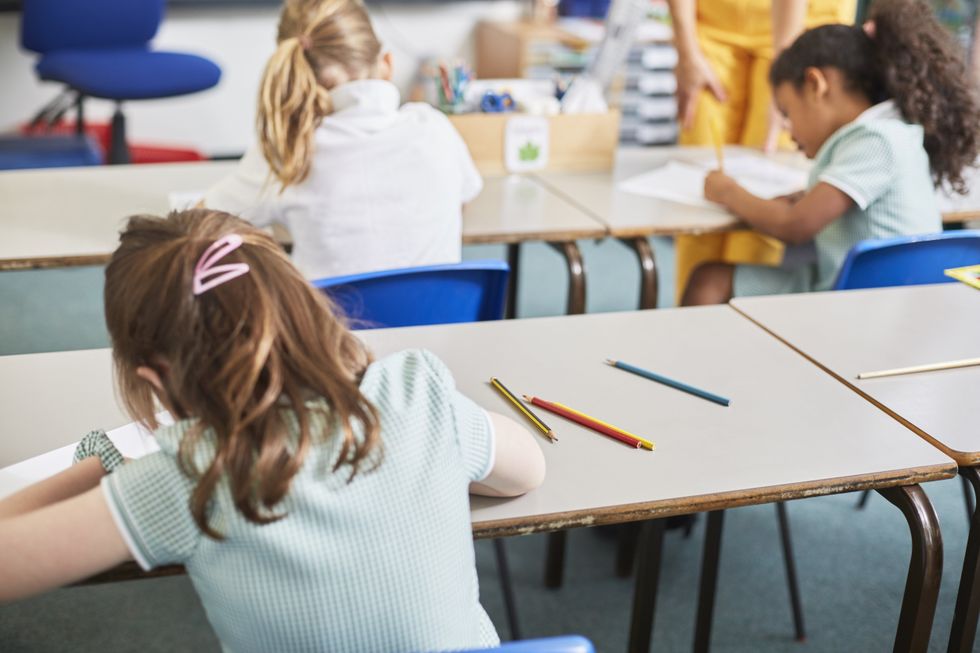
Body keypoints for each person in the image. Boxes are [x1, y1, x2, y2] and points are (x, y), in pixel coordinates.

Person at [0, 209, 546, 652]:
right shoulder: (415, 391)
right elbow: (527, 470)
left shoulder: (190, 473)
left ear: (155, 379)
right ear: (305, 307)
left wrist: (108, 462)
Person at [682, 0, 980, 304]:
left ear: (815, 85)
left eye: (787, 111)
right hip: (875, 292)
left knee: (709, 280)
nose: (787, 128)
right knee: (711, 277)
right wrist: (806, 196)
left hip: (865, 302)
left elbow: (794, 226)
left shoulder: (876, 140)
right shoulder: (889, 131)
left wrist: (728, 192)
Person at [202, 0, 483, 280]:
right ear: (386, 64)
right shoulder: (434, 128)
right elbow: (463, 201)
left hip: (331, 324)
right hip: (440, 323)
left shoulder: (290, 150)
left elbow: (202, 223)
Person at [667, 0, 857, 301]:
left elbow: (792, 224)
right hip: (717, 24)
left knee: (769, 186)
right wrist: (686, 49)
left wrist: (784, 78)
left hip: (801, 26)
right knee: (699, 197)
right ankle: (694, 327)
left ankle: (748, 325)